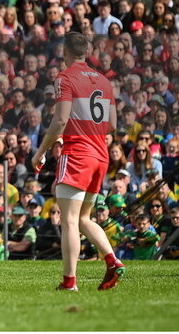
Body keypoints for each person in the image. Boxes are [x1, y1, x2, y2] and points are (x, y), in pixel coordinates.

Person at [32, 32, 124, 291]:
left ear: (65, 52)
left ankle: (69, 282)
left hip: (77, 154)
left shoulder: (65, 78)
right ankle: (112, 260)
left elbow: (60, 120)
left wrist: (40, 153)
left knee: (69, 220)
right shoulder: (105, 81)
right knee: (83, 218)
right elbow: (113, 124)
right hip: (100, 156)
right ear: (88, 51)